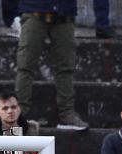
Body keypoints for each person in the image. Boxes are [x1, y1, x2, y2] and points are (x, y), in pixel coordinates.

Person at [15, 1, 89, 131]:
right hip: (34, 11)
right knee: (25, 66)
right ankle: (19, 114)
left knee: (65, 68)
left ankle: (67, 114)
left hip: (64, 13)